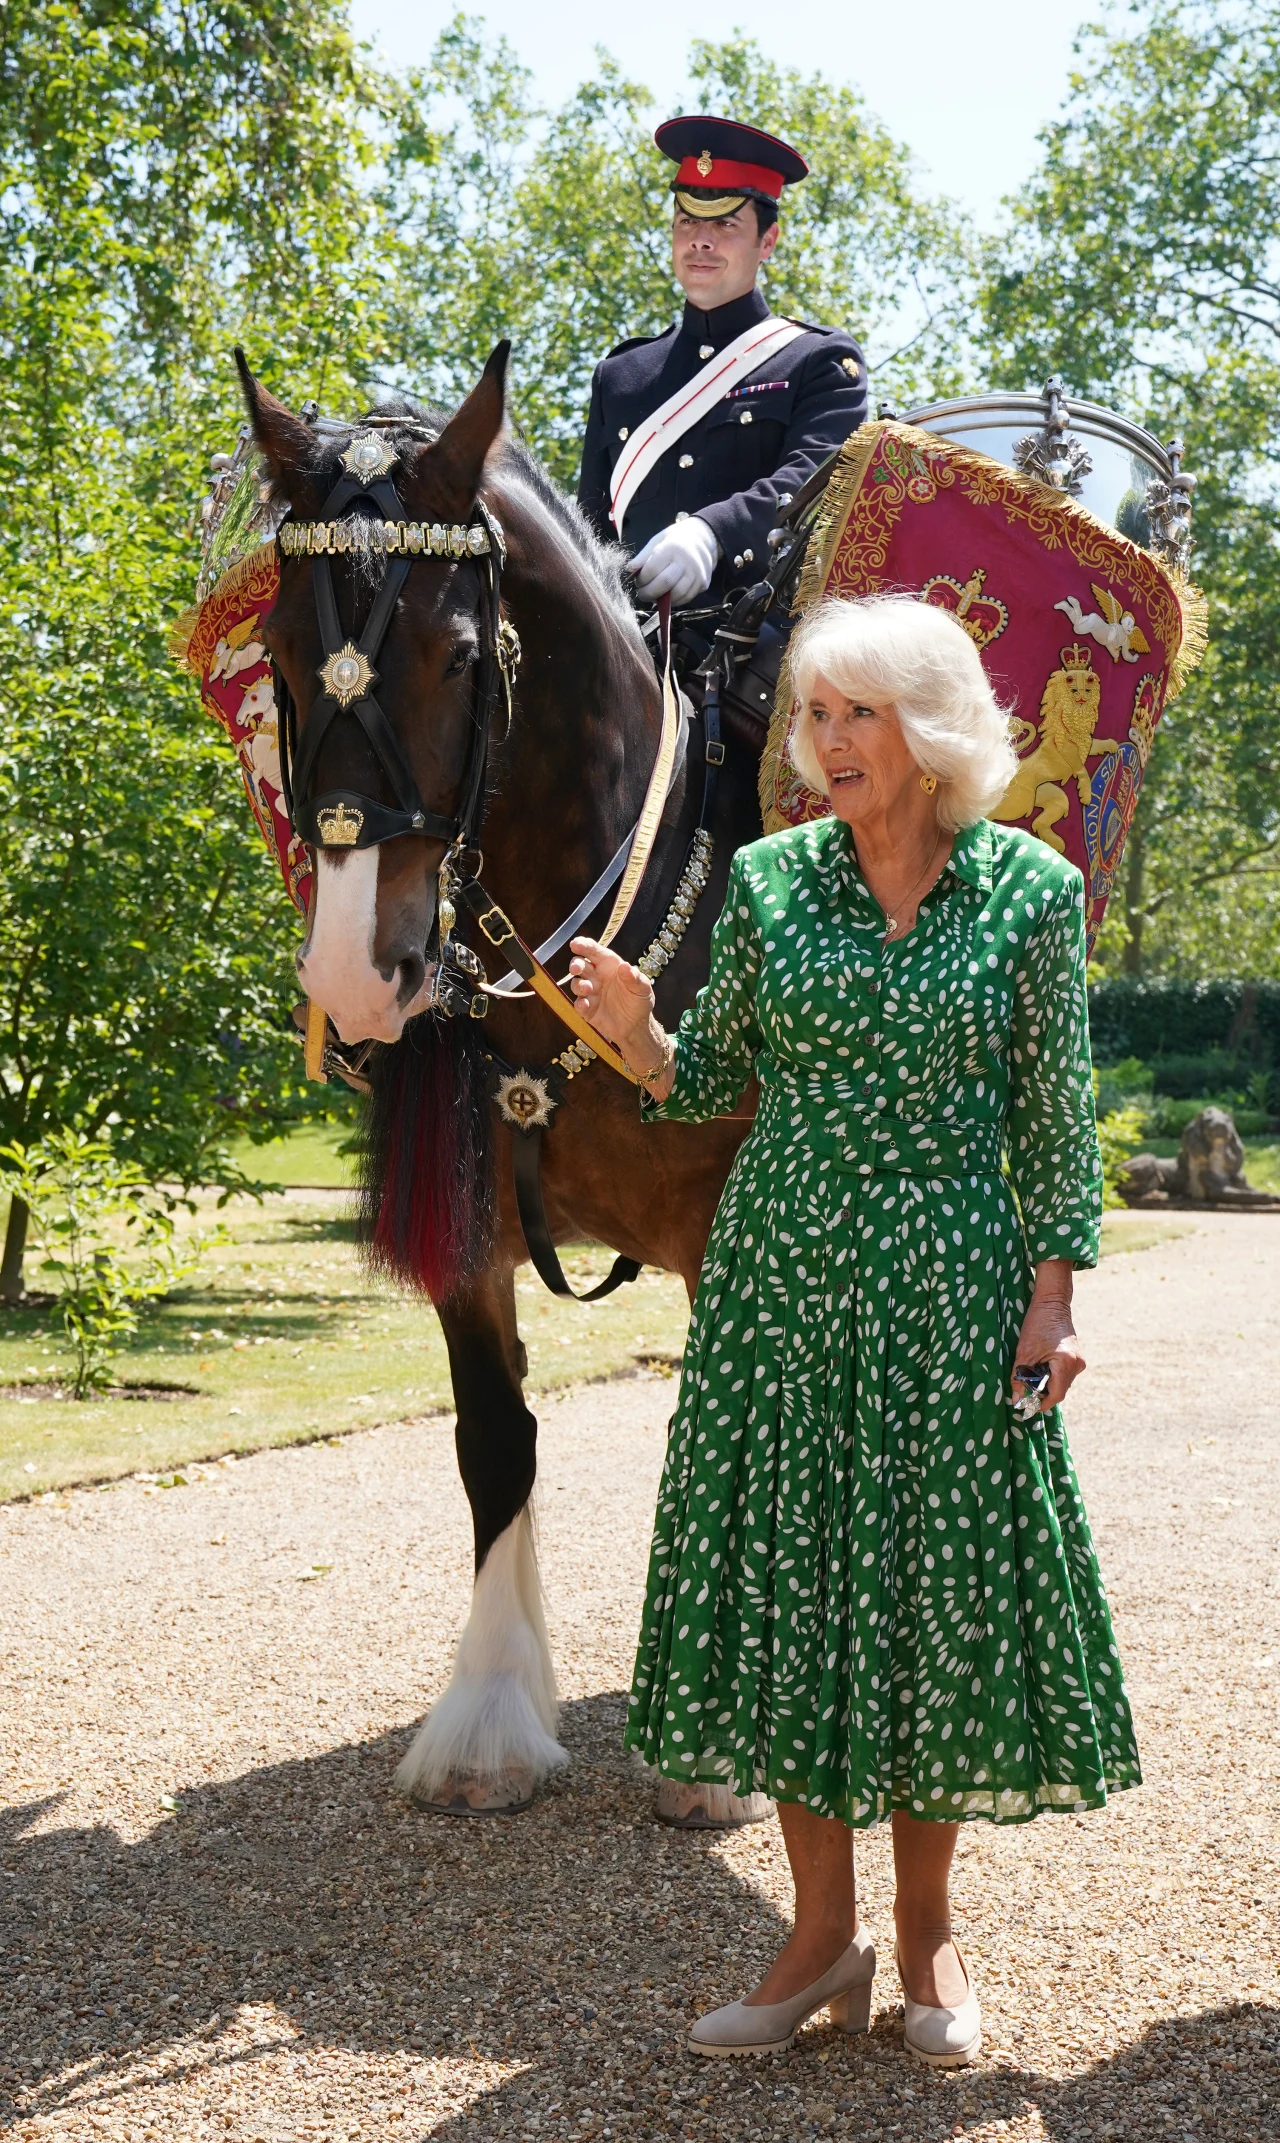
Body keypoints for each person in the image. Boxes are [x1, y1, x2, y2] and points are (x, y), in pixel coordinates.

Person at [568, 594, 1141, 2065]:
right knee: (799, 1594)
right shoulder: (766, 884)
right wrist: (638, 1034)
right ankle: (820, 1936)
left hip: (954, 1284)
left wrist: (1055, 1294)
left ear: (930, 730)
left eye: (856, 715)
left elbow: (1053, 1117)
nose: (825, 744)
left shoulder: (1023, 890)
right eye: (815, 715)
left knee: (930, 1596)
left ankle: (931, 1923)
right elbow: (714, 1082)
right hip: (782, 1286)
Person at [577, 116, 868, 609]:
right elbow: (588, 527)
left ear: (768, 242)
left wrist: (714, 534)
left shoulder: (818, 362)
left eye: (725, 224)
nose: (701, 240)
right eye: (688, 221)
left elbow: (815, 483)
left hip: (758, 646)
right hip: (627, 643)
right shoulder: (621, 375)